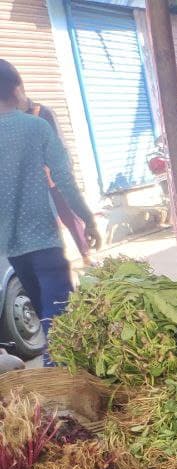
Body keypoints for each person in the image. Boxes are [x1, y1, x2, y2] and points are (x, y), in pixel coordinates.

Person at [0, 59, 100, 360]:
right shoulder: (36, 126)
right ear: (17, 89)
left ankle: (58, 377)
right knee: (60, 319)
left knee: (47, 317)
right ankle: (59, 381)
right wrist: (88, 219)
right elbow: (64, 179)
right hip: (44, 240)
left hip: (12, 248)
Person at [15, 84, 91, 266]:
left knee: (69, 217)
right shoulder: (13, 120)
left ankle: (86, 254)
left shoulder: (44, 113)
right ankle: (57, 262)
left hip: (53, 179)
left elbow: (59, 147)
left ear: (19, 90)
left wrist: (59, 170)